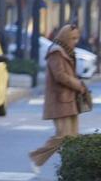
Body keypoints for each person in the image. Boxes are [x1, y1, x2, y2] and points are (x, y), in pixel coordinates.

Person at [29, 23, 90, 172]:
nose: (75, 41)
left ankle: (70, 169)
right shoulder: (56, 53)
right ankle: (37, 158)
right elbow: (60, 76)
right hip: (59, 100)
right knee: (63, 136)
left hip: (70, 100)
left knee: (73, 137)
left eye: (77, 38)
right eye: (72, 38)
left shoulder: (67, 51)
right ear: (65, 37)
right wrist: (78, 85)